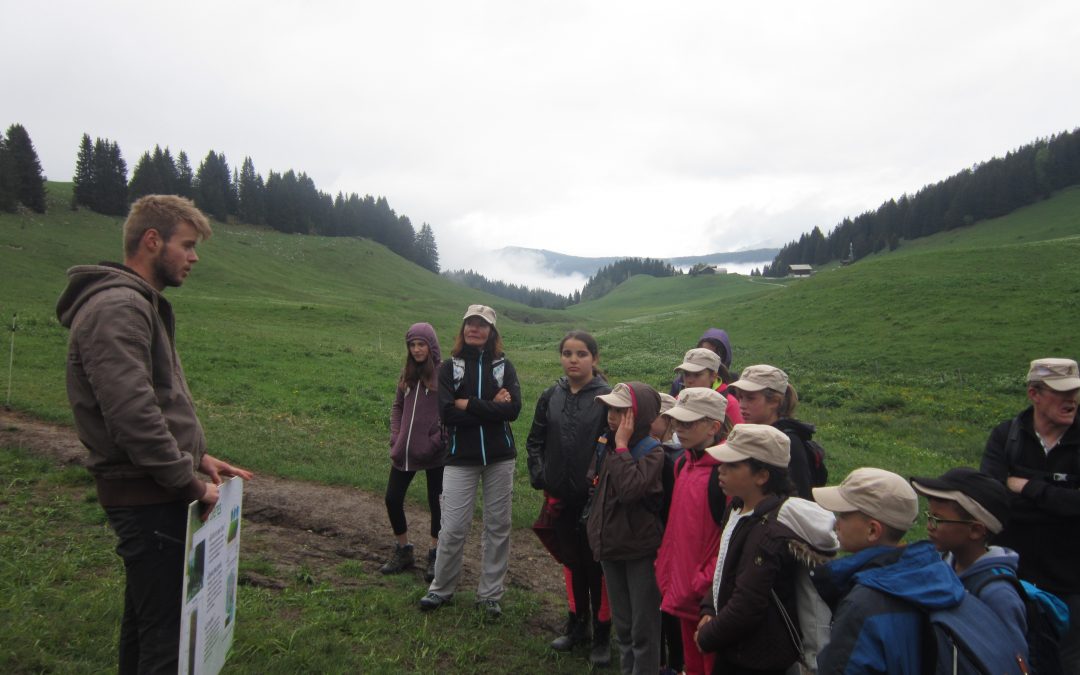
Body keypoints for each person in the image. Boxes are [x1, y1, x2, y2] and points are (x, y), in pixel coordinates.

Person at [56, 194, 253, 674]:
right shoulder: (118, 307)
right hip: (148, 495)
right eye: (186, 245)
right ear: (151, 240)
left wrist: (199, 458)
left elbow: (154, 404)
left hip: (155, 487)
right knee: (168, 639)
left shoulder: (135, 303)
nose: (194, 257)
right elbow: (134, 418)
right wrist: (190, 484)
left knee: (148, 623)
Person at [694, 424, 836, 675]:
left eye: (732, 465)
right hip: (733, 646)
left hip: (758, 658)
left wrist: (707, 636)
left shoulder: (768, 531)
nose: (721, 471)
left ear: (762, 475)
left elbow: (748, 604)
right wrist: (708, 608)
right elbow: (724, 567)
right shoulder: (737, 508)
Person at [812, 468, 966, 674]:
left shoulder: (864, 603)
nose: (836, 522)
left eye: (844, 515)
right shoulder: (936, 576)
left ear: (873, 530)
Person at [420, 305, 520, 619]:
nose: (474, 329)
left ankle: (489, 595)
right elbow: (447, 413)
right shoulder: (450, 368)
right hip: (460, 459)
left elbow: (513, 411)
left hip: (499, 458)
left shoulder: (504, 367)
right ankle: (441, 588)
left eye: (482, 325)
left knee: (498, 527)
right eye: (470, 324)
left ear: (492, 332)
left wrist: (469, 405)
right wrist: (491, 406)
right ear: (463, 329)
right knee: (452, 527)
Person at [981, 357, 1080, 671]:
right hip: (1013, 581)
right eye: (1061, 391)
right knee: (1011, 658)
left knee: (1066, 663)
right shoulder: (1006, 436)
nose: (1072, 399)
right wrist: (1060, 502)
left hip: (1071, 585)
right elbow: (992, 499)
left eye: (1075, 391)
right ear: (1034, 394)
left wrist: (1027, 488)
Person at [525, 330, 613, 665]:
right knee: (572, 564)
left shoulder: (606, 398)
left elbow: (615, 447)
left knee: (597, 569)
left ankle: (603, 636)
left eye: (581, 354)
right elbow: (535, 439)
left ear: (595, 358)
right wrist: (539, 475)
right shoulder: (551, 395)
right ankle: (578, 627)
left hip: (594, 501)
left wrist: (600, 487)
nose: (573, 360)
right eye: (567, 353)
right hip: (559, 496)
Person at [587, 382, 665, 675]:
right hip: (611, 544)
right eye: (610, 408)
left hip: (639, 549)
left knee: (643, 628)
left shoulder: (651, 452)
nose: (611, 415)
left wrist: (621, 447)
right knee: (623, 627)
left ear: (639, 415)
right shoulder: (606, 443)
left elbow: (631, 490)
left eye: (621, 410)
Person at [655, 388, 730, 675]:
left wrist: (703, 582)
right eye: (676, 421)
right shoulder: (684, 463)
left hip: (704, 598)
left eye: (689, 423)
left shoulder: (723, 475)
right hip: (682, 587)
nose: (679, 429)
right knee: (692, 664)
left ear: (713, 427)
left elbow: (728, 537)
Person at [909, 467, 1026, 632]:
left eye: (938, 520)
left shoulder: (999, 595)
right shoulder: (939, 562)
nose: (929, 526)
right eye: (929, 516)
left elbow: (1010, 654)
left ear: (976, 531)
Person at [380, 322, 445, 582]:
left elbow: (449, 414)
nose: (417, 349)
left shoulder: (443, 374)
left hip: (435, 454)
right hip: (404, 450)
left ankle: (435, 553)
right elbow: (397, 407)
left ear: (431, 346)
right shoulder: (406, 373)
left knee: (436, 504)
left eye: (421, 344)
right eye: (412, 345)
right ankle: (403, 549)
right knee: (392, 499)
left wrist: (435, 440)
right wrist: (396, 436)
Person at [727, 365, 814, 499]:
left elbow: (800, 497)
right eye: (740, 397)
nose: (742, 405)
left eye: (750, 398)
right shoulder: (750, 435)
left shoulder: (789, 442)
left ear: (774, 401)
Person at [673, 348, 743, 428]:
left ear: (713, 376)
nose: (689, 380)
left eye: (697, 375)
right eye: (686, 374)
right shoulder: (679, 399)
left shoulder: (730, 404)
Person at [670, 328, 735, 396]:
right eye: (702, 352)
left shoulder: (732, 386)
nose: (690, 380)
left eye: (697, 375)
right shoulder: (680, 383)